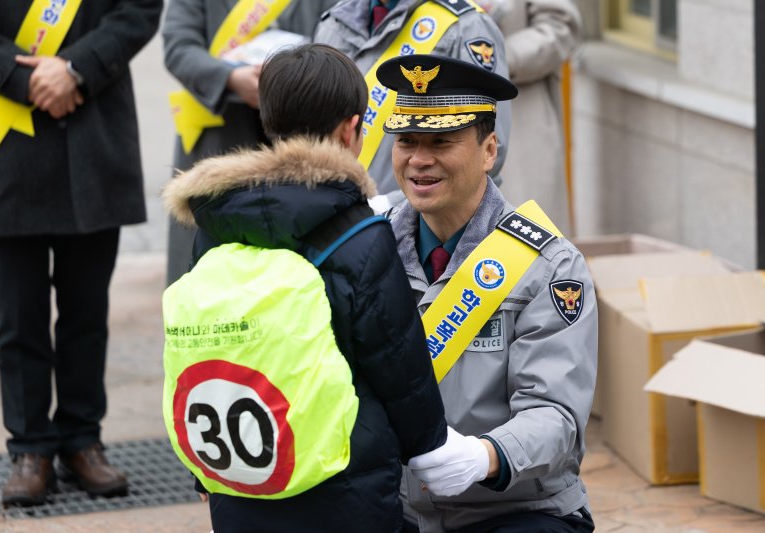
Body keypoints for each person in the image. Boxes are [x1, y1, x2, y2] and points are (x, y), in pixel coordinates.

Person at [161, 43, 447, 532]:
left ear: (267, 122)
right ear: (351, 130)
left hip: (244, 474)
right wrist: (428, 443)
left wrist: (204, 472)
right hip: (343, 480)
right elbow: (397, 359)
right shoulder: (359, 232)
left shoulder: (216, 222)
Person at [376, 54, 597, 532]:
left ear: (489, 150)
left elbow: (555, 414)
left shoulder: (548, 265)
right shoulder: (371, 248)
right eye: (406, 140)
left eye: (442, 141)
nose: (419, 160)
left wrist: (486, 456)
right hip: (397, 508)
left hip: (511, 508)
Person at [0, 0, 162, 507]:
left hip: (94, 129)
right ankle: (30, 448)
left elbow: (140, 10)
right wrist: (24, 78)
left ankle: (81, 439)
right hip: (9, 135)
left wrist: (75, 68)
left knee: (86, 313)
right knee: (19, 316)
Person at [162, 0, 338, 285]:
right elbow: (179, 47)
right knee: (207, 273)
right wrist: (230, 78)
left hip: (302, 140)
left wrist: (295, 80)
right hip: (220, 137)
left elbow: (340, 37)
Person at [314, 0, 512, 209]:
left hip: (423, 217)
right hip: (336, 208)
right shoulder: (334, 21)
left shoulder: (465, 24)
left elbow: (490, 145)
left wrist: (392, 205)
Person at [475, 0, 582, 235]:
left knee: (529, 239)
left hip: (520, 118)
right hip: (423, 115)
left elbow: (560, 25)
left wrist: (490, 57)